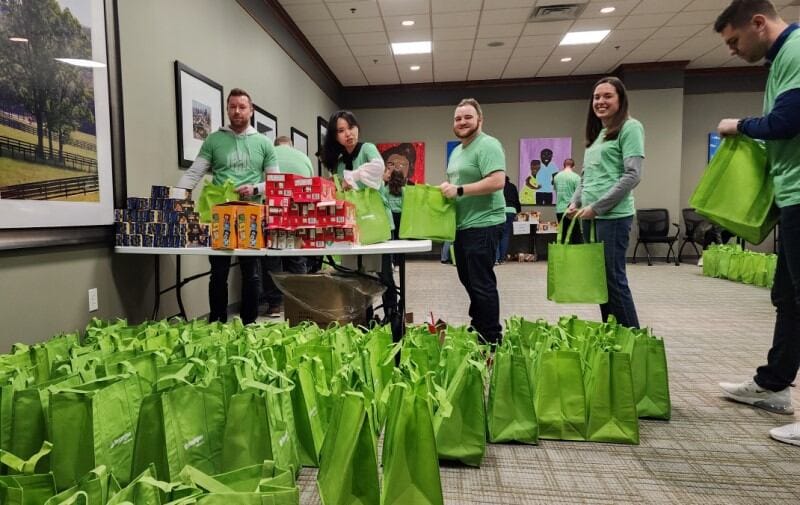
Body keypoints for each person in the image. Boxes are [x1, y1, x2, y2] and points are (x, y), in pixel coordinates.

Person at [713, 0, 800, 446]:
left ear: (758, 22)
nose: (732, 50)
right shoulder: (781, 58)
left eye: (734, 40)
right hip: (791, 196)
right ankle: (774, 385)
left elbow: (788, 120)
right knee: (787, 298)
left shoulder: (798, 50)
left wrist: (739, 125)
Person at [176, 88, 277, 324]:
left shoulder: (264, 143)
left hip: (251, 214)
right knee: (218, 273)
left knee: (251, 273)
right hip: (219, 217)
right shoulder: (214, 140)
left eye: (242, 107)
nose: (237, 111)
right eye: (232, 107)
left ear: (251, 110)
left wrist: (255, 189)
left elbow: (275, 182)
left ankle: (249, 323)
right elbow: (194, 174)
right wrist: (174, 198)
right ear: (227, 110)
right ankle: (217, 322)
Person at [567, 76, 643, 329]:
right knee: (599, 281)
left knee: (613, 280)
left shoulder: (630, 128)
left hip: (612, 217)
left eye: (607, 96)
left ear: (620, 99)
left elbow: (632, 175)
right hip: (590, 217)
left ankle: (633, 340)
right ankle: (612, 336)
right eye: (597, 97)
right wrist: (575, 201)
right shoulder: (599, 134)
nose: (600, 101)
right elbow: (587, 175)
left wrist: (597, 207)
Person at [440, 98, 506, 344]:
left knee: (482, 283)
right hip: (463, 226)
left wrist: (458, 190)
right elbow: (458, 186)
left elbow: (497, 181)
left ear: (480, 119)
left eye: (468, 117)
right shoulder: (457, 151)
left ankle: (491, 337)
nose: (462, 122)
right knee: (468, 280)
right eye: (458, 118)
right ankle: (478, 325)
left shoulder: (488, 145)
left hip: (485, 223)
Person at [322, 110, 397, 320]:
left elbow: (377, 168)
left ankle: (392, 313)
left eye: (351, 127)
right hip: (352, 224)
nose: (348, 134)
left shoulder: (367, 149)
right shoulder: (338, 162)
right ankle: (364, 314)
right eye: (341, 130)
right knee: (356, 272)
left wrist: (351, 177)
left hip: (376, 221)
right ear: (335, 136)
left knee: (383, 272)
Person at [260, 136, 313, 316]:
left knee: (272, 257)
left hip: (274, 209)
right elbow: (311, 184)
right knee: (297, 257)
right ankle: (300, 303)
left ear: (276, 145)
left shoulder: (269, 154)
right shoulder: (304, 157)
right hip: (299, 210)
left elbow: (263, 183)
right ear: (290, 145)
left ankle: (274, 305)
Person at [554, 158, 583, 244]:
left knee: (562, 235)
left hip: (559, 209)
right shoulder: (576, 177)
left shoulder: (556, 177)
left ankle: (564, 255)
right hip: (572, 210)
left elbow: (556, 190)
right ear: (573, 166)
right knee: (575, 236)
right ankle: (575, 256)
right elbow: (579, 194)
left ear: (564, 166)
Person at [496, 176, 521, 264]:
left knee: (497, 235)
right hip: (511, 211)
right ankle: (502, 259)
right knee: (505, 235)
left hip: (500, 210)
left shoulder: (498, 186)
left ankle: (496, 258)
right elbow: (517, 200)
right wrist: (518, 211)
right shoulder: (513, 186)